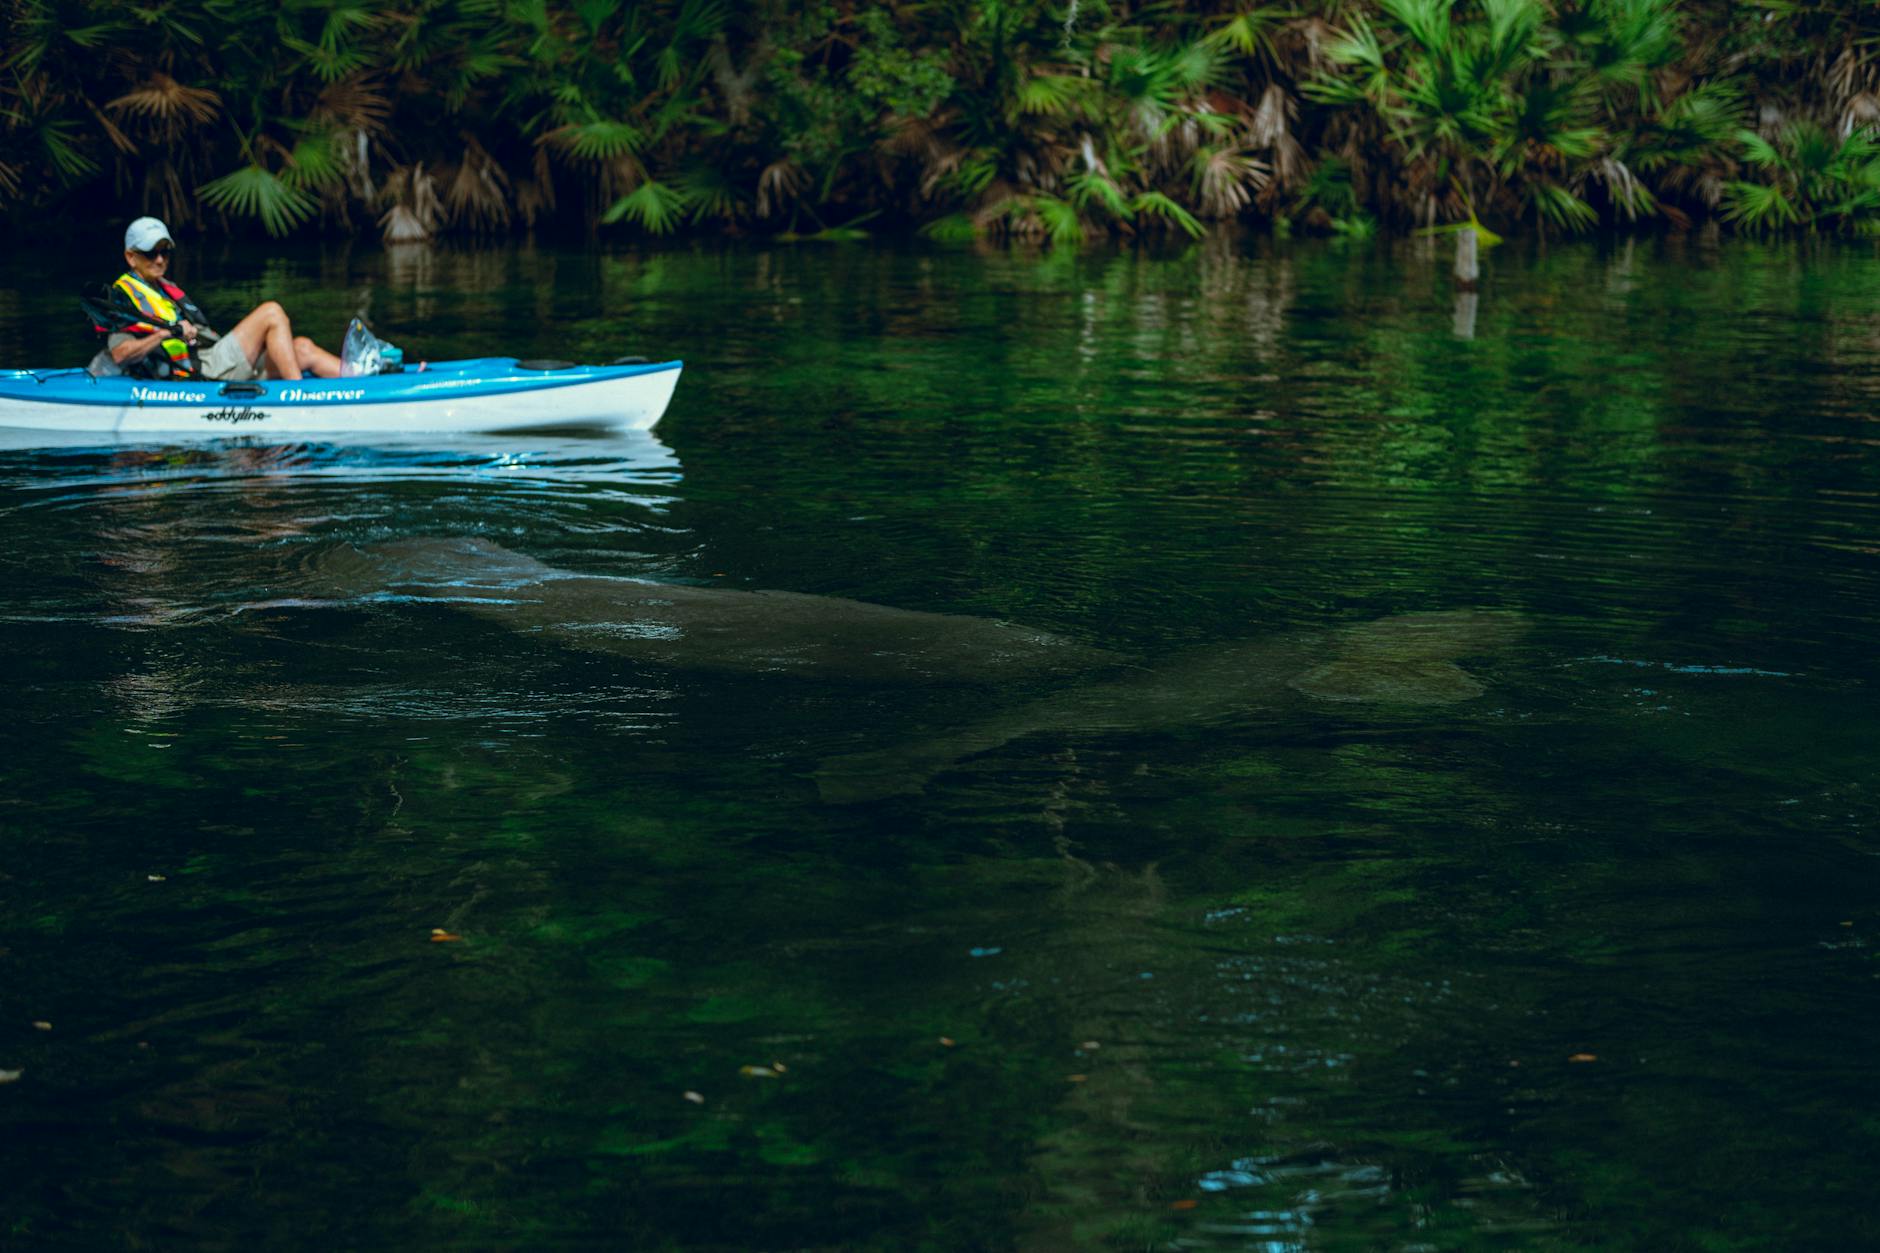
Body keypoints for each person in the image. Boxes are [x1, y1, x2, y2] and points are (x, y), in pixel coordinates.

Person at [101, 217, 342, 381]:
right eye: (151, 253)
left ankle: (368, 378)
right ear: (131, 257)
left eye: (164, 252)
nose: (160, 260)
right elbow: (121, 354)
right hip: (202, 372)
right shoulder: (122, 299)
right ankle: (296, 399)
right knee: (272, 312)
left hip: (210, 357)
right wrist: (167, 333)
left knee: (302, 348)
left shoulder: (163, 288)